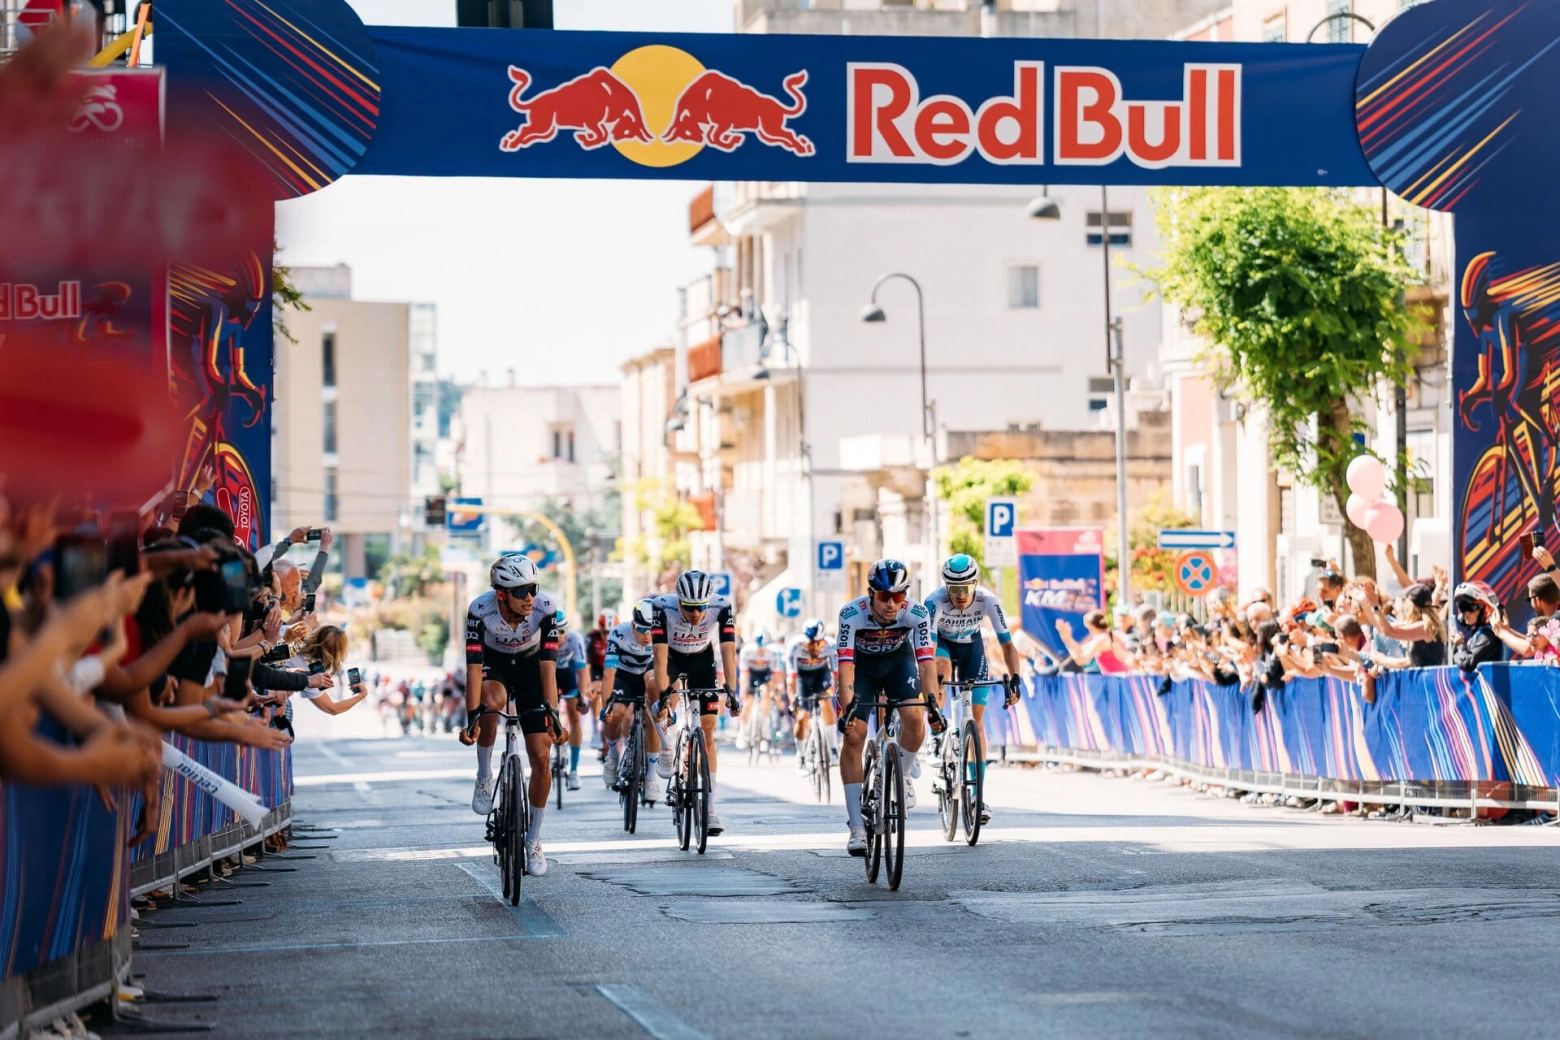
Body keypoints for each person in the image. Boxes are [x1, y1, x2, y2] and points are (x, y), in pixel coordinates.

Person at [459, 554, 566, 877]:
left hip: (533, 668)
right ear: (502, 594)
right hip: (496, 665)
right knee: (491, 700)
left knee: (541, 755)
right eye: (522, 592)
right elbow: (473, 669)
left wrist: (555, 714)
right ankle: (483, 775)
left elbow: (548, 667)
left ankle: (534, 839)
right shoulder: (480, 610)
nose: (530, 597)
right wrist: (471, 719)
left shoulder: (545, 609)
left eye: (533, 588)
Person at [836, 558, 940, 856]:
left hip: (898, 663)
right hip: (862, 667)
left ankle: (902, 776)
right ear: (871, 593)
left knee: (914, 716)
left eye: (898, 596)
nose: (891, 604)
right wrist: (847, 712)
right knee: (854, 734)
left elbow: (926, 663)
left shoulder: (917, 613)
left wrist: (932, 702)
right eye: (884, 596)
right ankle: (856, 826)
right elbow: (844, 668)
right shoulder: (851, 613)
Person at [923, 553, 1022, 824]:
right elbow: (927, 652)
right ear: (946, 586)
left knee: (976, 723)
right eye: (954, 589)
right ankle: (936, 735)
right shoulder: (933, 602)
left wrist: (1015, 678)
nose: (960, 595)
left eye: (965, 588)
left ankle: (977, 795)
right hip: (942, 644)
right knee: (940, 668)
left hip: (972, 647)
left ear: (975, 583)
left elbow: (1007, 645)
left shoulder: (988, 600)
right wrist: (931, 692)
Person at [650, 570, 740, 837]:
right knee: (662, 703)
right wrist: (663, 692)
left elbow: (728, 650)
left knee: (708, 734)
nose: (696, 613)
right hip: (672, 657)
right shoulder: (662, 607)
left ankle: (711, 811)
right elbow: (659, 653)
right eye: (689, 607)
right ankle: (668, 747)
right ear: (679, 600)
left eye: (701, 607)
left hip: (702, 658)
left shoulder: (721, 606)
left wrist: (733, 692)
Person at [599, 599, 663, 802]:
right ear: (633, 624)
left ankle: (651, 776)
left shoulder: (662, 635)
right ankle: (612, 755)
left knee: (653, 717)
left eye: (651, 630)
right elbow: (608, 673)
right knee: (615, 712)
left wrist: (666, 704)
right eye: (642, 630)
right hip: (623, 677)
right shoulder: (618, 633)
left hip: (649, 677)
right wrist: (605, 708)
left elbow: (666, 672)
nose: (647, 636)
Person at [786, 618, 839, 774]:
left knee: (826, 703)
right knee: (803, 716)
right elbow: (791, 680)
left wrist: (836, 692)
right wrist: (793, 702)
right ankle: (801, 757)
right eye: (811, 643)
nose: (816, 647)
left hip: (821, 675)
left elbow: (836, 674)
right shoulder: (794, 646)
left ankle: (833, 749)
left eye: (819, 643)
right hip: (802, 678)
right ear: (804, 640)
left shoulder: (830, 646)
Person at [551, 609, 591, 790]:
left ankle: (574, 770)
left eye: (561, 632)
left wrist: (582, 697)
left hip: (569, 677)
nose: (558, 637)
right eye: (554, 633)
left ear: (567, 630)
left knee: (575, 717)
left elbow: (582, 672)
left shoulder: (575, 639)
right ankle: (550, 753)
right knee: (547, 714)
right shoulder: (543, 640)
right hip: (549, 675)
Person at [736, 629, 780, 753]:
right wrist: (744, 690)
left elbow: (775, 675)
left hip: (765, 675)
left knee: (766, 693)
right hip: (751, 674)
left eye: (763, 649)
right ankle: (742, 732)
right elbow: (744, 674)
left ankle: (765, 733)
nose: (761, 651)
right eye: (759, 648)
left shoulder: (773, 653)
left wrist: (773, 690)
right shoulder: (747, 651)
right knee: (748, 702)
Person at [585, 608, 616, 762]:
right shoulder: (591, 638)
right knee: (596, 691)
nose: (607, 637)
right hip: (598, 670)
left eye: (610, 632)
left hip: (615, 669)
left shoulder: (620, 636)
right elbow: (587, 665)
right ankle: (596, 729)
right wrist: (588, 685)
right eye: (604, 632)